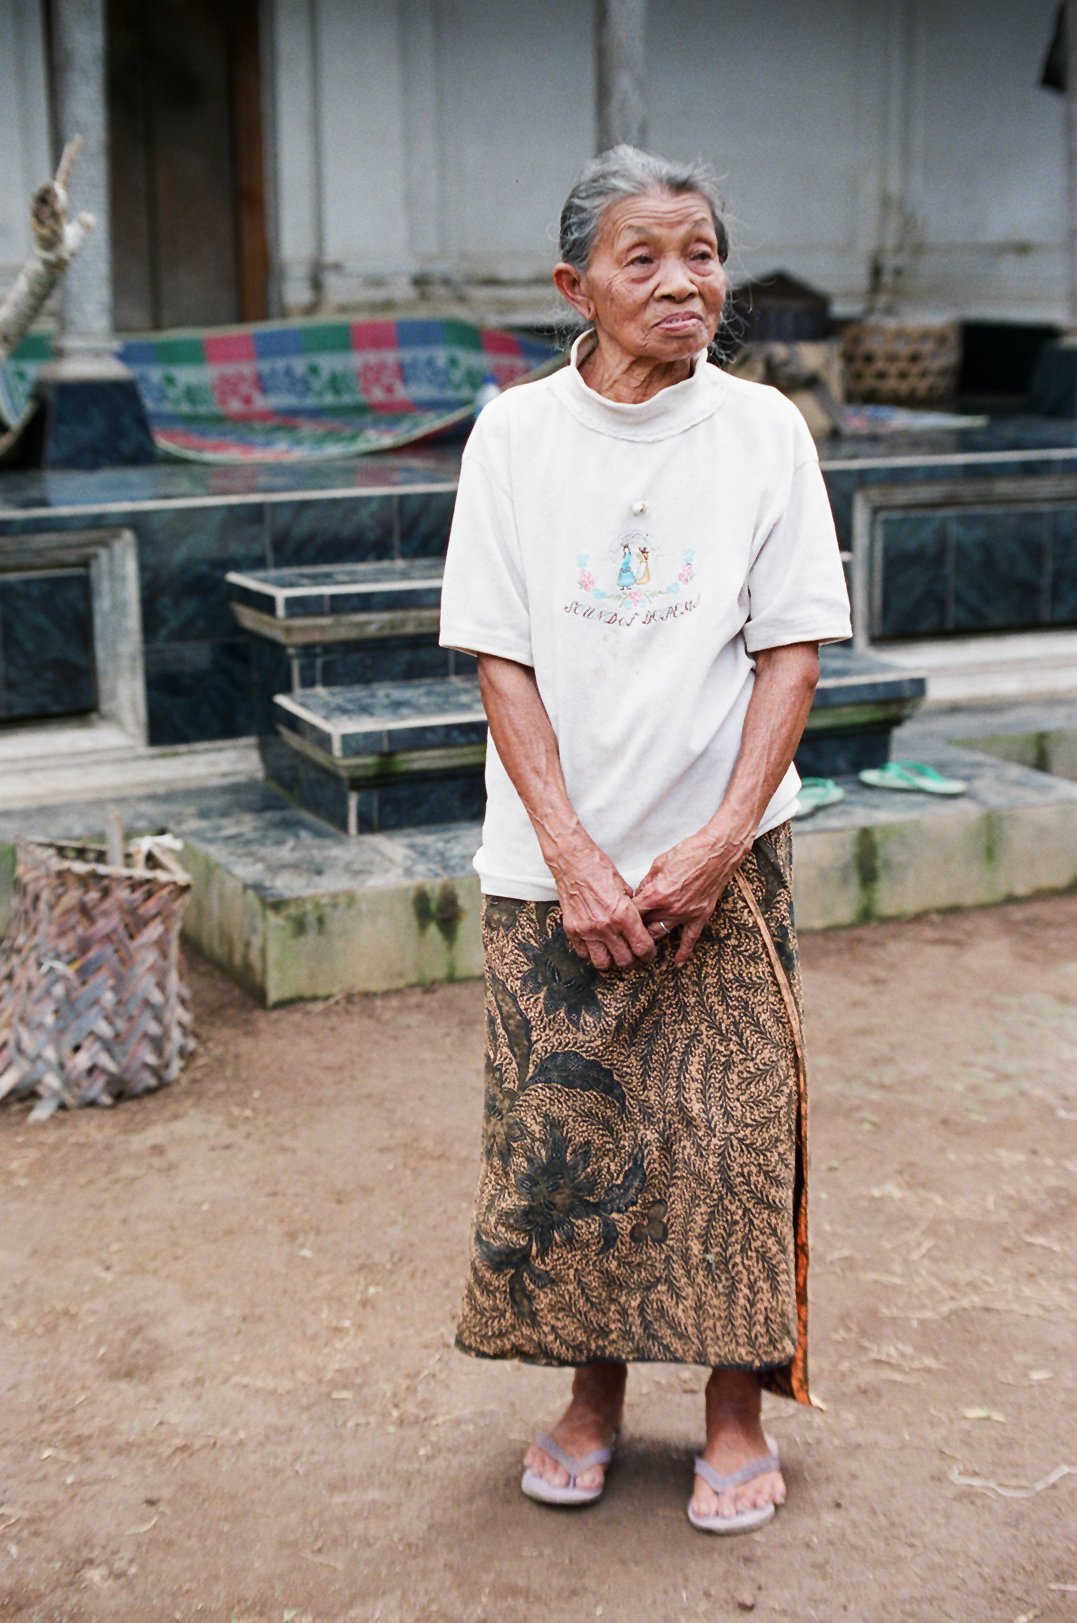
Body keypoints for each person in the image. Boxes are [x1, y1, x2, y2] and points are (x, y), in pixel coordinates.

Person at [438, 145, 851, 1535]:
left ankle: (731, 1416)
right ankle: (591, 1399)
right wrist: (570, 854)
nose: (682, 282)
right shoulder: (514, 435)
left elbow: (790, 650)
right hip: (551, 868)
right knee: (570, 1146)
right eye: (642, 257)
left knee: (730, 1142)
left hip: (720, 866)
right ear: (576, 284)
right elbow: (500, 657)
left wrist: (724, 836)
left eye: (700, 253)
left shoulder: (761, 430)